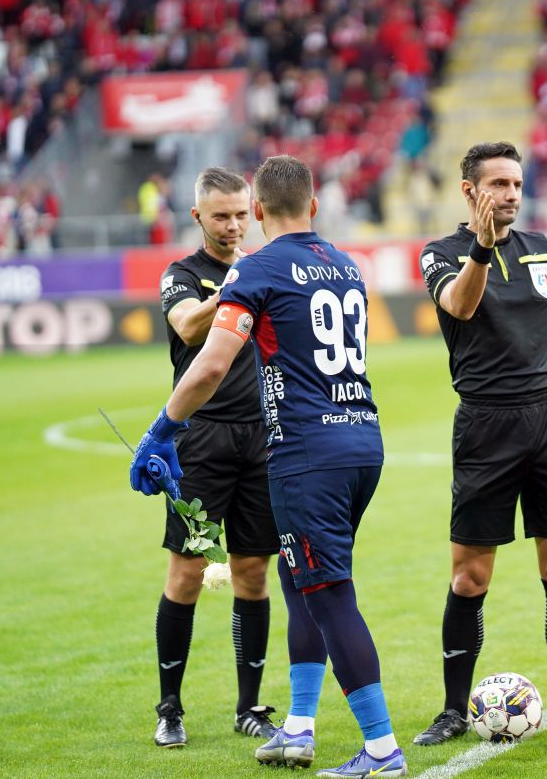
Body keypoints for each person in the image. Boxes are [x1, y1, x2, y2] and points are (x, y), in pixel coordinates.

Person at [129, 155, 407, 778]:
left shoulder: (255, 270)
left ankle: (383, 750)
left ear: (256, 212)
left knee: (330, 595)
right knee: (299, 584)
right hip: (362, 439)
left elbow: (209, 365)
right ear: (314, 206)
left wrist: (161, 431)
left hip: (303, 454)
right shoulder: (345, 263)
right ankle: (298, 729)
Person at [413, 141, 547, 746]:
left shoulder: (545, 252)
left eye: (517, 185)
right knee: (469, 579)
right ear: (470, 191)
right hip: (485, 424)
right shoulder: (441, 254)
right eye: (498, 184)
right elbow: (460, 305)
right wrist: (479, 249)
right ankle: (453, 709)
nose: (510, 195)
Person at [152, 167, 278, 749]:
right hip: (201, 442)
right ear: (198, 216)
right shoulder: (182, 276)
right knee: (189, 573)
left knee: (253, 574)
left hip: (262, 439)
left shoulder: (266, 268)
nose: (232, 224)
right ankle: (170, 707)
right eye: (220, 215)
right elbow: (186, 325)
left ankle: (249, 707)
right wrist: (234, 284)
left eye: (239, 213)